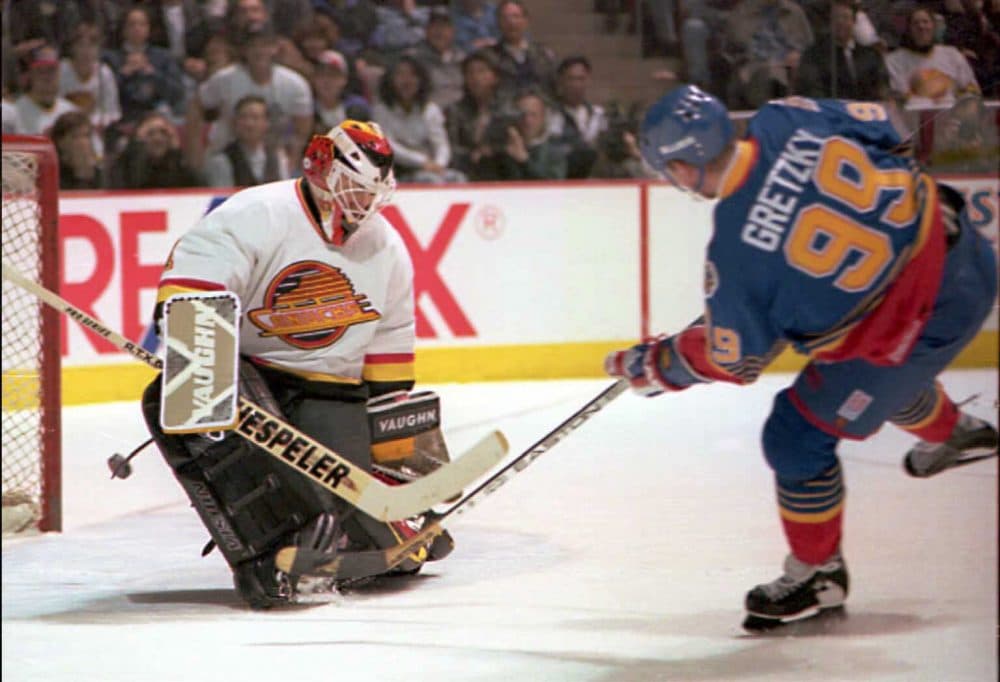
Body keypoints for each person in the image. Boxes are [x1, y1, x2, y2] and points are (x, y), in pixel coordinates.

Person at [605, 84, 999, 631]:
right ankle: (958, 433)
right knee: (857, 380)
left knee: (794, 435)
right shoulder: (783, 118)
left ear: (682, 167)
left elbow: (734, 360)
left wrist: (658, 365)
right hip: (966, 249)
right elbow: (888, 127)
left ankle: (818, 573)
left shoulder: (735, 254)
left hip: (924, 321)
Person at [140, 120, 454, 608]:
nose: (363, 204)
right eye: (353, 187)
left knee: (384, 546)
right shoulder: (258, 213)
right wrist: (196, 349)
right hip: (253, 378)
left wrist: (395, 453)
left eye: (372, 192)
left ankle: (377, 529)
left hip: (329, 389)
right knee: (189, 405)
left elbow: (390, 348)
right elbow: (196, 283)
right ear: (321, 169)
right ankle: (264, 559)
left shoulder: (386, 246)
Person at [372, 55, 465, 183]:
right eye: (401, 75)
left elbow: (441, 144)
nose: (407, 81)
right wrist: (421, 162)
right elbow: (388, 146)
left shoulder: (430, 109)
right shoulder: (381, 111)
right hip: (400, 169)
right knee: (430, 180)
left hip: (431, 166)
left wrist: (439, 164)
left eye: (412, 75)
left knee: (457, 178)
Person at [885, 6, 981, 109]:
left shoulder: (952, 55)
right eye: (915, 23)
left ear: (934, 27)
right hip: (913, 116)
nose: (921, 26)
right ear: (908, 29)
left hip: (951, 115)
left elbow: (971, 90)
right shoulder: (893, 61)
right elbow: (898, 98)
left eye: (925, 22)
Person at [795, 0, 890, 101]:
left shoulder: (870, 55)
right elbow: (812, 89)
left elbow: (881, 87)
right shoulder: (814, 55)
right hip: (830, 107)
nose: (840, 22)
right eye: (836, 18)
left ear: (854, 22)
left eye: (845, 17)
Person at [202, 94, 292, 187]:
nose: (249, 124)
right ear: (235, 122)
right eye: (243, 117)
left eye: (255, 118)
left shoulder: (278, 157)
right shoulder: (222, 161)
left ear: (266, 123)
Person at [108, 111, 203, 189]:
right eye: (150, 133)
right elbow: (135, 182)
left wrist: (175, 153)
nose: (158, 139)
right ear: (137, 138)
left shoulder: (181, 169)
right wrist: (137, 147)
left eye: (164, 132)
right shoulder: (122, 169)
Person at [49, 110, 105, 190]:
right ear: (60, 142)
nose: (83, 143)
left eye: (87, 136)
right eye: (75, 137)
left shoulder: (101, 174)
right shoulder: (50, 175)